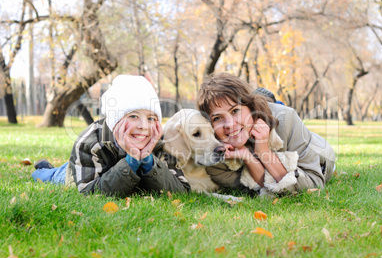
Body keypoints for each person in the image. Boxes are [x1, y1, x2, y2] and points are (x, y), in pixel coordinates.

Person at [32, 75, 190, 197]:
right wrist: (132, 161)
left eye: (151, 118)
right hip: (79, 172)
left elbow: (181, 190)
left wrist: (149, 161)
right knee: (53, 176)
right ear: (115, 119)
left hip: (95, 167)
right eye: (133, 116)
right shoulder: (89, 142)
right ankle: (44, 170)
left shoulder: (159, 142)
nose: (144, 126)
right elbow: (89, 193)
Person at [196, 72, 335, 197]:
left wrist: (264, 152)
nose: (230, 124)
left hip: (322, 153)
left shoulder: (287, 118)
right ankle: (262, 98)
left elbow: (313, 186)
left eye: (235, 111)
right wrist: (248, 157)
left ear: (250, 107)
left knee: (279, 115)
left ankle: (265, 100)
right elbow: (261, 189)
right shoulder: (215, 160)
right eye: (217, 118)